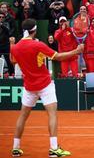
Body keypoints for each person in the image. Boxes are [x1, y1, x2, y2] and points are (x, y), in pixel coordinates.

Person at [10, 18, 84, 157]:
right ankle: (54, 149)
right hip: (45, 85)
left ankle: (15, 148)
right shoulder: (38, 45)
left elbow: (13, 61)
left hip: (29, 86)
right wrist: (76, 51)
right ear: (35, 30)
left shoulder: (15, 47)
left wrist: (12, 45)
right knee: (52, 114)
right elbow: (58, 57)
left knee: (22, 116)